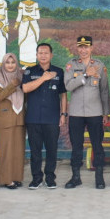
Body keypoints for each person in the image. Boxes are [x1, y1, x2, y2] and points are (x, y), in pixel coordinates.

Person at [64, 36, 110, 189]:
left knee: (97, 146)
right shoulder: (71, 65)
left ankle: (99, 177)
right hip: (76, 113)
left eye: (86, 47)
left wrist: (105, 113)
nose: (83, 50)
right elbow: (68, 86)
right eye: (81, 47)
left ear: (91, 48)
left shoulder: (99, 65)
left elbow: (104, 91)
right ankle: (75, 177)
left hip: (95, 112)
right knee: (76, 146)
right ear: (77, 48)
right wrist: (85, 75)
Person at [23, 43, 67, 189]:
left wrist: (63, 114)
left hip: (52, 118)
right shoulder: (29, 71)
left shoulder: (58, 72)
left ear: (51, 55)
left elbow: (63, 94)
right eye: (40, 53)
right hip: (33, 117)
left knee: (51, 150)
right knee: (35, 151)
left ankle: (50, 178)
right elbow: (25, 88)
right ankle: (36, 178)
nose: (43, 55)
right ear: (36, 55)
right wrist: (43, 78)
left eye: (46, 53)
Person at [0, 53, 26, 189]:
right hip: (5, 119)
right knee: (5, 150)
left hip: (19, 118)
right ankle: (6, 179)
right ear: (3, 64)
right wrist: (12, 85)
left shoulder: (20, 77)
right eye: (7, 62)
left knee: (18, 150)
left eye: (13, 62)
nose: (10, 65)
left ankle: (16, 177)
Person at [14, 0, 43, 67]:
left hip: (33, 26)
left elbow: (37, 16)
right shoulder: (21, 4)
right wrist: (17, 23)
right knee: (24, 44)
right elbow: (19, 15)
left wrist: (29, 18)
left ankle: (32, 63)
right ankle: (25, 63)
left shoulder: (35, 4)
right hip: (23, 26)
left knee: (32, 44)